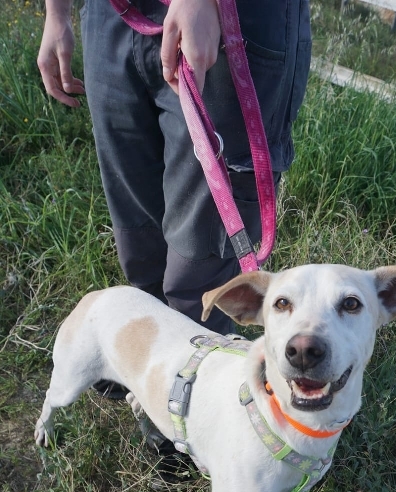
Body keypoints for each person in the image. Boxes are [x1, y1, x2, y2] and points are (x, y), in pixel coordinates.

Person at [37, 0, 312, 338]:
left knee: (199, 279)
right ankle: (152, 357)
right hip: (111, 15)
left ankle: (199, 361)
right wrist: (56, 13)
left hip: (227, 16)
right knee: (139, 248)